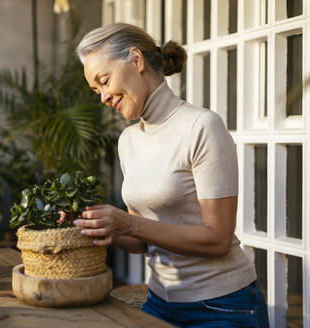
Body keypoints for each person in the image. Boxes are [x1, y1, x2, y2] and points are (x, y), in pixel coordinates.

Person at [73, 23, 269, 328]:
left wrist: (129, 223)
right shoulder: (128, 140)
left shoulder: (202, 126)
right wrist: (95, 226)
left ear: (136, 60)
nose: (103, 97)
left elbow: (217, 239)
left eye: (104, 80)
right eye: (96, 90)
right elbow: (141, 240)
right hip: (160, 303)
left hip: (223, 306)